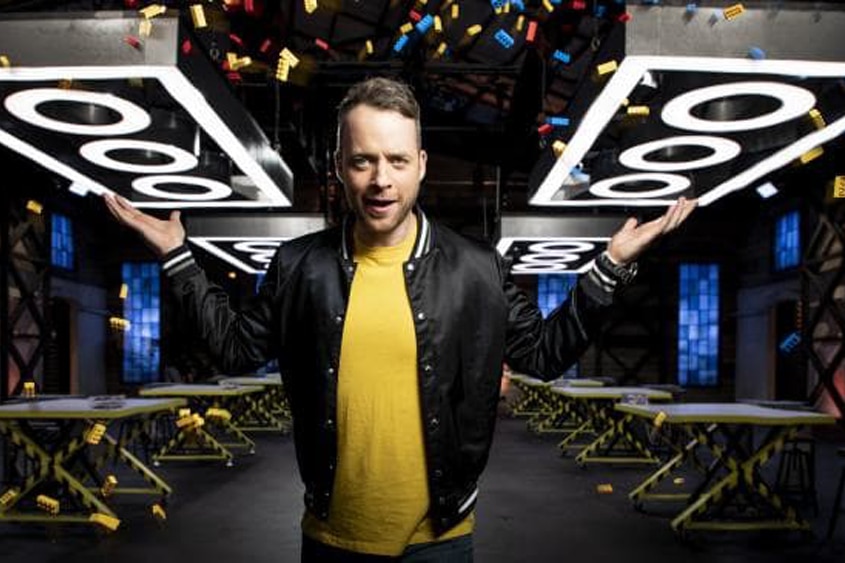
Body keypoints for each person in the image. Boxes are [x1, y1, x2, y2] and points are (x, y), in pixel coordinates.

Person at [104, 76, 696, 562]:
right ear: (339, 167)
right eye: (363, 161)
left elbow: (542, 352)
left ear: (421, 165)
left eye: (395, 160)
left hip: (439, 541)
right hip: (331, 536)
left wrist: (611, 264)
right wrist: (177, 257)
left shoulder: (476, 268)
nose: (380, 179)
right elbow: (235, 349)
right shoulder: (298, 266)